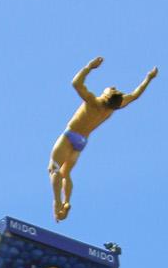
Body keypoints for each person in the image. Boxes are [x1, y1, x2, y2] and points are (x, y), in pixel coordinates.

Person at [48, 56, 157, 221]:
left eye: (112, 89)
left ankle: (57, 203)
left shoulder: (93, 102)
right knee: (66, 172)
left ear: (107, 96)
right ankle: (67, 201)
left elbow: (76, 83)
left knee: (54, 169)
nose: (112, 86)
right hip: (81, 142)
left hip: (70, 135)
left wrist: (89, 67)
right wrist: (148, 78)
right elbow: (135, 95)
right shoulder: (112, 109)